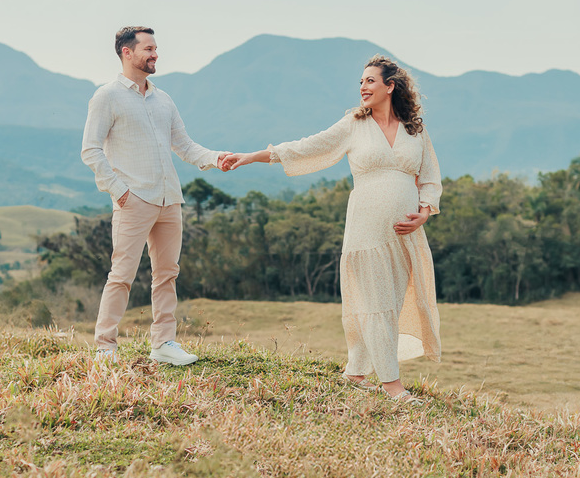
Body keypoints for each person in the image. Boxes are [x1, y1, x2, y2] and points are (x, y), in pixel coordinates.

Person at [222, 55, 441, 397]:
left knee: (389, 306)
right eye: (361, 81)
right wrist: (252, 156)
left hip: (403, 235)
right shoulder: (354, 124)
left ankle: (356, 374)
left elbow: (429, 178)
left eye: (370, 81)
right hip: (366, 229)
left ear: (390, 86)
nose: (362, 87)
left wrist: (424, 213)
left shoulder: (416, 129)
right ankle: (391, 384)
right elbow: (307, 147)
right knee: (376, 304)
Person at [81, 26, 232, 365]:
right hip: (133, 201)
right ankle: (105, 347)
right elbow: (90, 150)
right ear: (127, 53)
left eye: (155, 48)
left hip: (169, 199)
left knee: (167, 274)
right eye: (148, 48)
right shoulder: (106, 96)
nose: (155, 54)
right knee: (121, 276)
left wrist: (215, 158)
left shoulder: (164, 99)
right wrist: (119, 192)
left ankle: (164, 343)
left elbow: (185, 145)